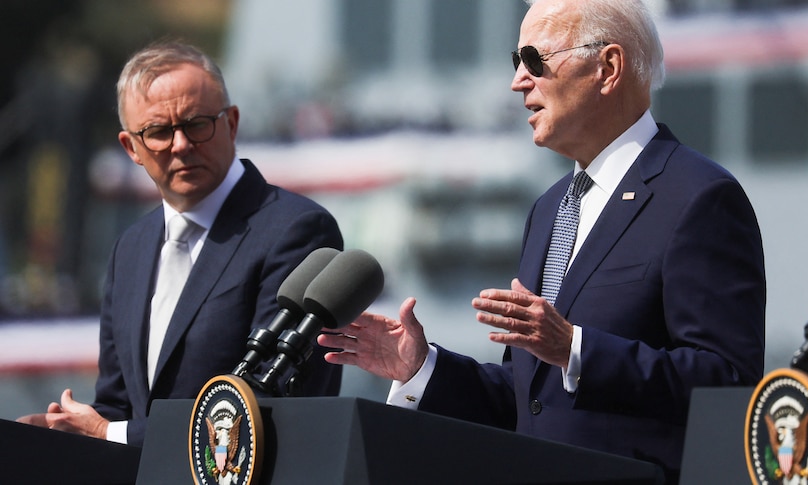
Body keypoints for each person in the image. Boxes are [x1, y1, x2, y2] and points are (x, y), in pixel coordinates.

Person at [318, 0, 765, 482]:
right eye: (516, 62)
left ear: (608, 68)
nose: (518, 81)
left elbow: (729, 386)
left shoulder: (698, 197)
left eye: (535, 60)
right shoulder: (549, 209)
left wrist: (577, 348)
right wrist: (422, 368)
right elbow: (530, 398)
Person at [17, 41, 344, 447]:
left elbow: (272, 405)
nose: (181, 145)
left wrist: (108, 433)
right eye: (157, 132)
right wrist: (62, 436)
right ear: (131, 148)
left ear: (232, 123)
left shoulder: (297, 231)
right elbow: (119, 404)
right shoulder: (130, 250)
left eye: (196, 124)